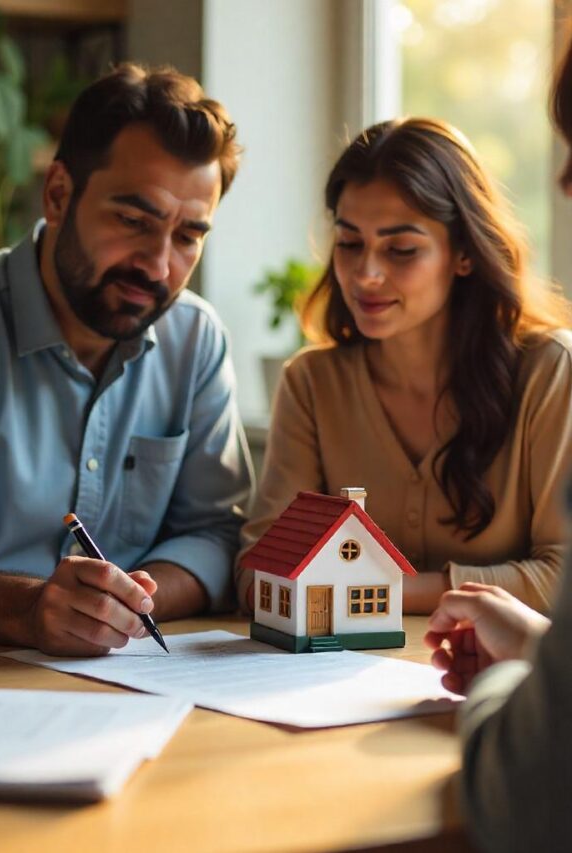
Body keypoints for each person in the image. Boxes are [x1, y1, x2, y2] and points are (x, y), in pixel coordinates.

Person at [0, 63, 252, 656]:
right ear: (58, 194)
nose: (157, 266)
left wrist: (131, 602)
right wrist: (30, 609)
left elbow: (214, 531)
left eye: (186, 237)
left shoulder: (195, 340)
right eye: (133, 221)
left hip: (129, 680)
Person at [236, 117, 572, 615]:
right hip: (322, 685)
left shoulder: (549, 372)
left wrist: (361, 596)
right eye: (350, 243)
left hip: (484, 683)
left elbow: (561, 578)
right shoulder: (311, 384)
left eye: (401, 249)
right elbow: (259, 576)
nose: (366, 275)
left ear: (463, 254)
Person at [423, 33, 572, 853]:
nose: (563, 182)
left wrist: (514, 684)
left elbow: (536, 791)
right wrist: (544, 649)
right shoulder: (313, 380)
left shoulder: (549, 372)